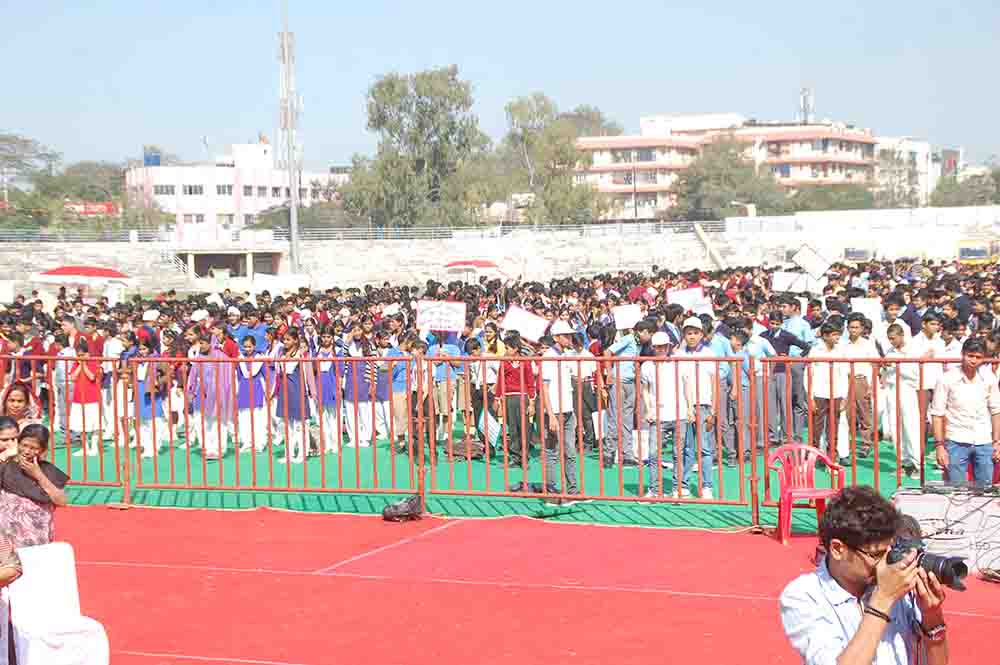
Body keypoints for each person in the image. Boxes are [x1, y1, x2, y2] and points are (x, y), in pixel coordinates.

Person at [781, 486, 949, 665]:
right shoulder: (804, 596)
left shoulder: (898, 587)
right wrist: (883, 599)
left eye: (891, 551)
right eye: (876, 555)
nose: (887, 564)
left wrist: (932, 618)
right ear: (838, 549)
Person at [930, 337, 1000, 486]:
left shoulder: (989, 378)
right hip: (956, 440)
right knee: (957, 491)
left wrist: (996, 442)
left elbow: (996, 411)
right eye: (970, 356)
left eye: (978, 357)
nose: (973, 360)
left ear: (983, 358)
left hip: (984, 440)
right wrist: (939, 446)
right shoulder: (946, 379)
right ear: (962, 354)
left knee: (985, 490)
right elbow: (937, 414)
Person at [0, 424, 70, 547]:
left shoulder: (48, 470)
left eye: (34, 448)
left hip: (36, 536)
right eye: (24, 445)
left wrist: (38, 475)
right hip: (7, 535)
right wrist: (3, 457)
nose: (27, 451)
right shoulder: (6, 465)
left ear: (42, 450)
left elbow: (62, 501)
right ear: (18, 443)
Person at [640, 332, 692, 497]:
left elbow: (687, 386)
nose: (661, 349)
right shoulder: (647, 366)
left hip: (679, 413)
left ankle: (678, 488)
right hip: (657, 415)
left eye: (664, 346)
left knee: (678, 453)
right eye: (658, 347)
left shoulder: (679, 362)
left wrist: (690, 408)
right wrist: (648, 409)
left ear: (669, 346)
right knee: (653, 454)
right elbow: (645, 389)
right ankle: (654, 489)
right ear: (653, 347)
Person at [538, 322, 579, 496]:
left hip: (568, 410)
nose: (569, 338)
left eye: (570, 335)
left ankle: (572, 489)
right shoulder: (549, 357)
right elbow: (544, 388)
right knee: (552, 452)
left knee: (570, 452)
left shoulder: (566, 355)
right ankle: (551, 489)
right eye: (565, 335)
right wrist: (551, 415)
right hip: (555, 411)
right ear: (556, 337)